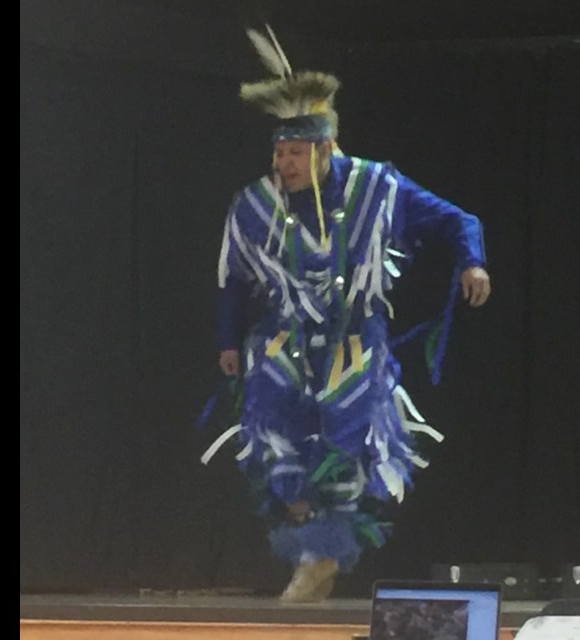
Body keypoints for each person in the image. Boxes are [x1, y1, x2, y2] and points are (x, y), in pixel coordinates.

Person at [200, 27, 491, 602]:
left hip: (354, 340)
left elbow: (460, 220)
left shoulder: (378, 189)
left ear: (325, 149)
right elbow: (233, 279)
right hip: (282, 339)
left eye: (294, 152)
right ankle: (310, 550)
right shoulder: (256, 205)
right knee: (278, 442)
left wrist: (472, 264)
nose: (282, 162)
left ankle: (321, 557)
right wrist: (228, 341)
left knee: (346, 440)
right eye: (278, 152)